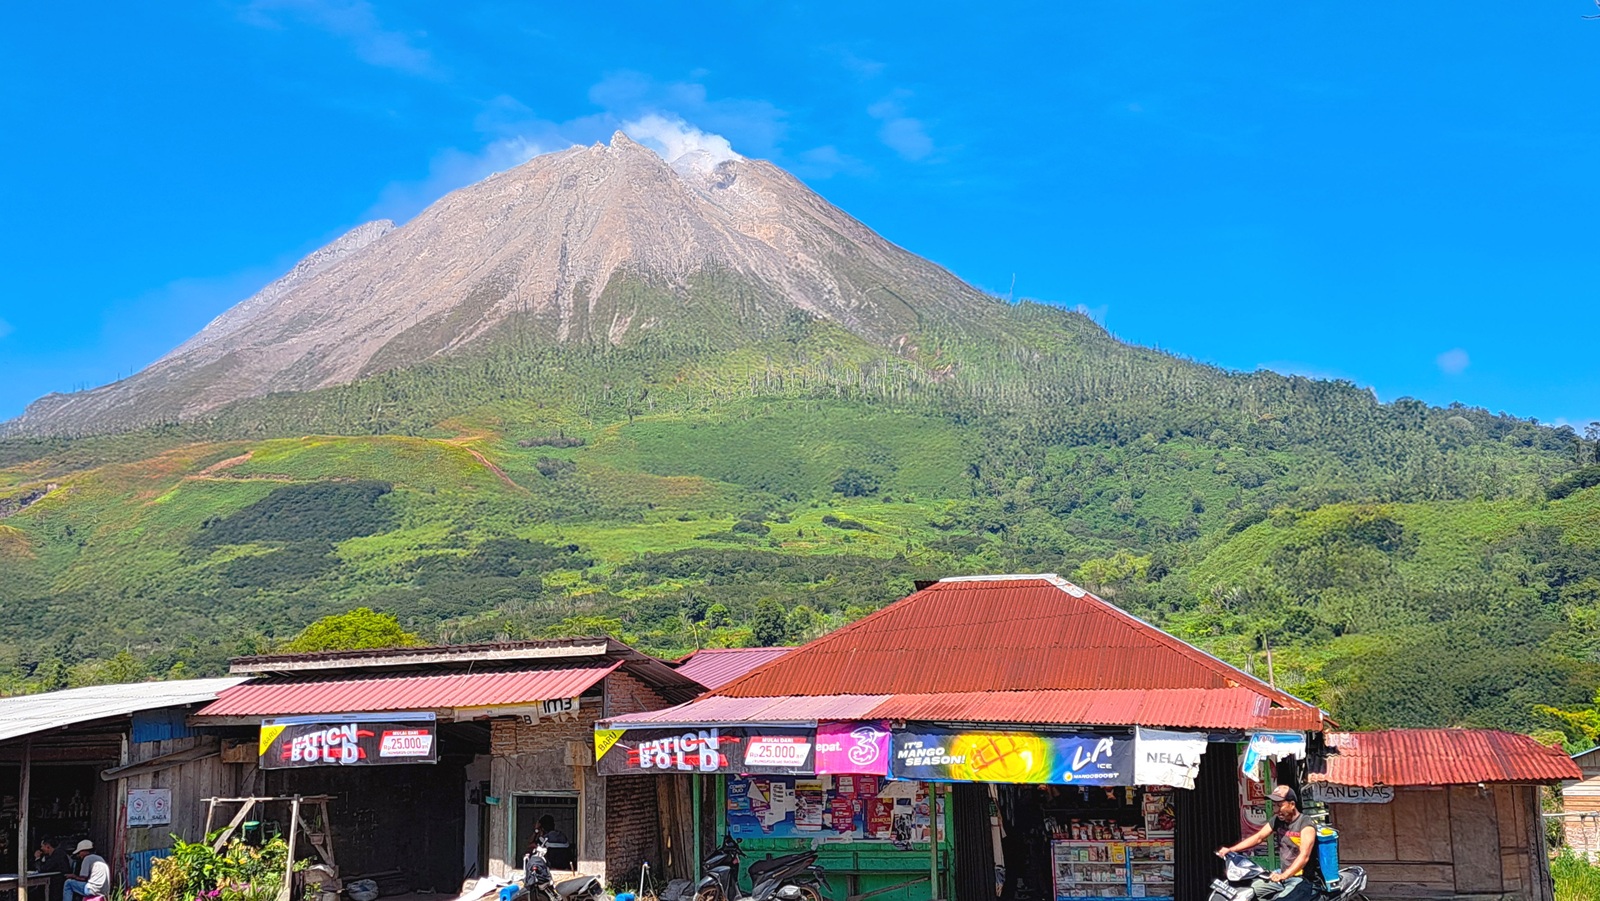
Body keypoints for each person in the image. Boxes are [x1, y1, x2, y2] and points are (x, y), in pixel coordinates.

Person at [1216, 785, 1316, 900]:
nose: (1276, 810)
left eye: (1280, 805)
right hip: (1280, 874)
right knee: (1249, 891)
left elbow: (1304, 856)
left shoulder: (1306, 823)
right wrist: (1231, 849)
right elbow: (1259, 837)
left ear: (1292, 805)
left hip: (1301, 879)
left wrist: (1284, 875)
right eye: (1274, 805)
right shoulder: (1277, 820)